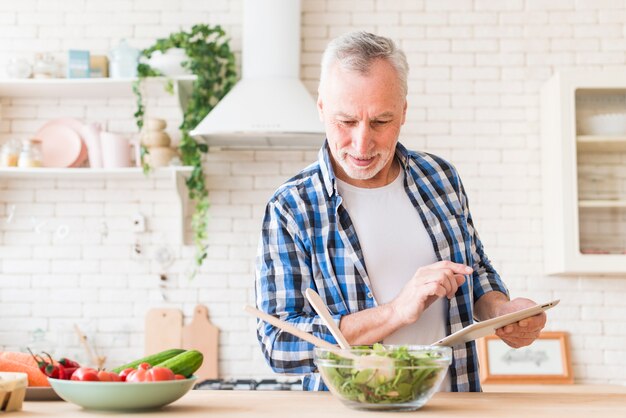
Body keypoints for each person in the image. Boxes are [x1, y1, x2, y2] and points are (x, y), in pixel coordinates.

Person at [254, 31, 547, 392]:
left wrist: (503, 313)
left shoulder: (440, 178)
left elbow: (476, 273)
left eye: (381, 122)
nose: (362, 144)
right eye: (346, 121)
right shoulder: (292, 206)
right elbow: (278, 344)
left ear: (403, 111)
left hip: (454, 404)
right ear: (321, 109)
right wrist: (396, 312)